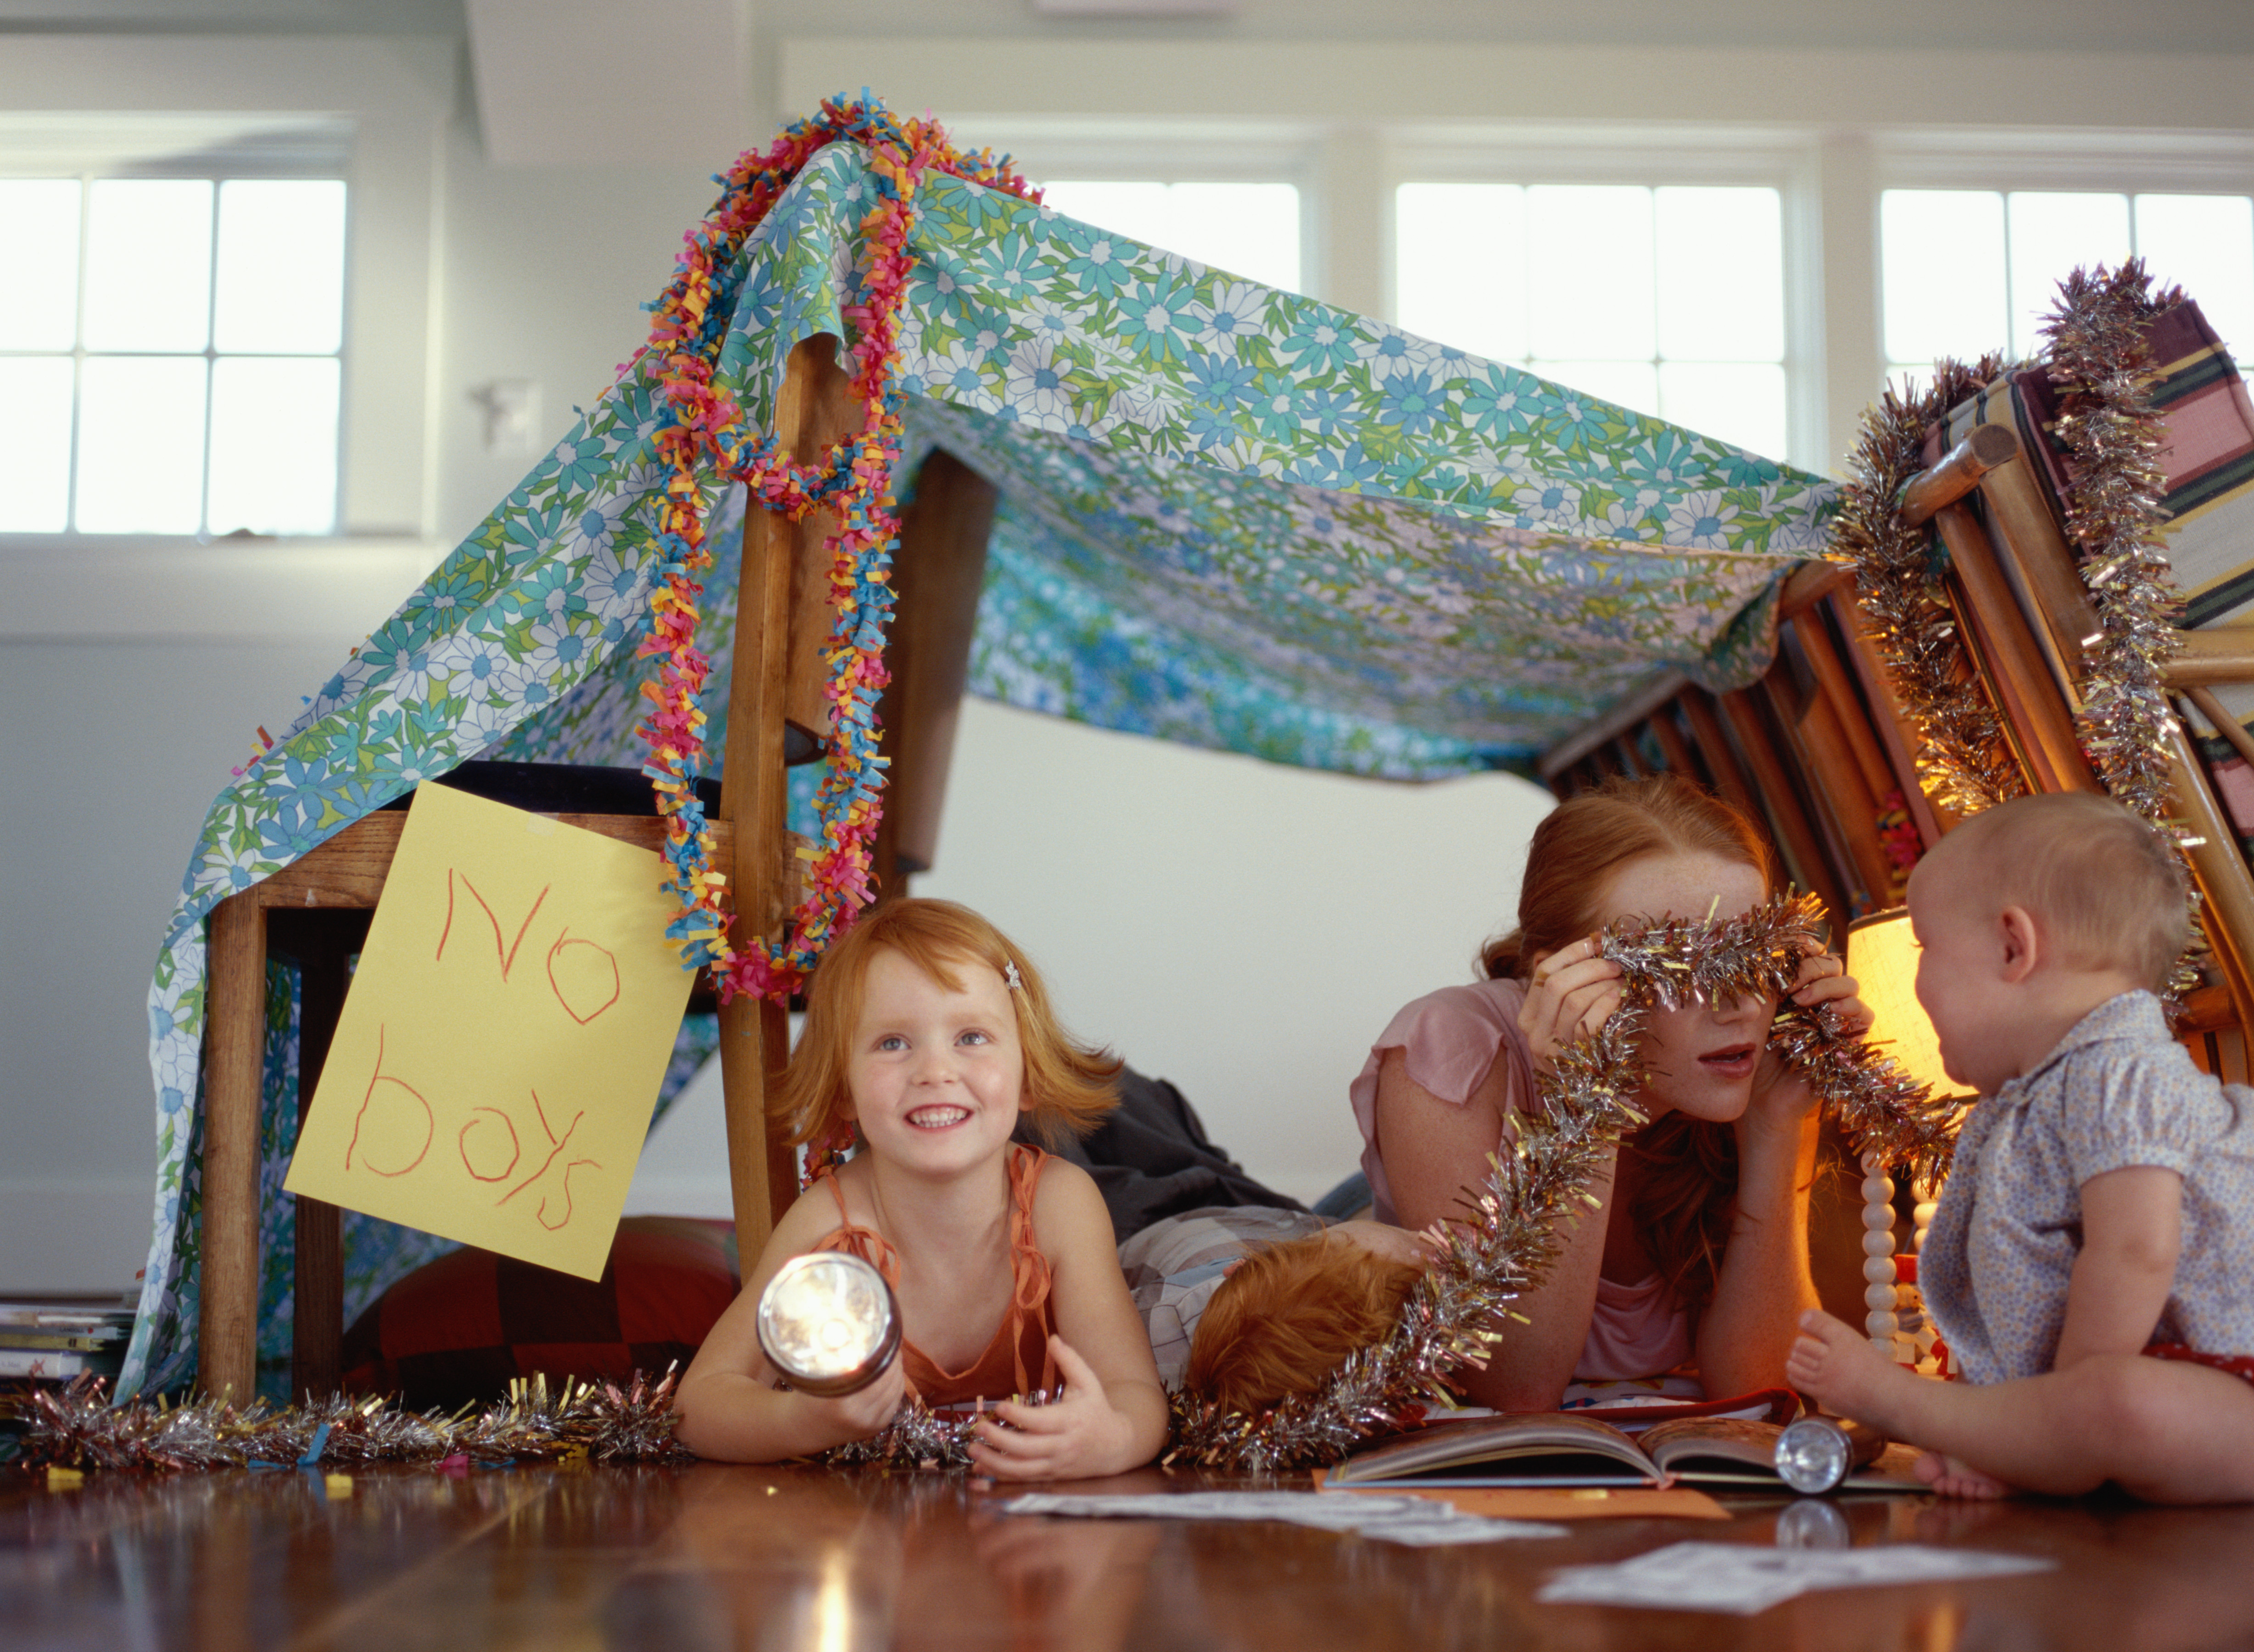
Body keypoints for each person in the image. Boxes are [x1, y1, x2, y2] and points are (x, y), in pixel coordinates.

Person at [1787, 792, 2254, 1502]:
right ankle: (2010, 1437)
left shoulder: (2120, 1073)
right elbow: (2034, 1293)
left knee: (2114, 1401)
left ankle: (1905, 1405)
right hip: (2176, 1402)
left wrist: (2050, 1422)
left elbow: (2135, 1251)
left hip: (2231, 1384)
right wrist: (2016, 1427)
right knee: (2105, 1402)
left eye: (1925, 948)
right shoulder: (2029, 1104)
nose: (1918, 981)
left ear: (2013, 948)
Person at [1350, 773, 1866, 1411]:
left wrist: (1779, 1129)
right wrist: (1587, 1103)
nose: (1739, 1005)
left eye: (1754, 955)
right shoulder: (1447, 1049)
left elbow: (1760, 1391)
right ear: (1561, 976)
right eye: (1678, 966)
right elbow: (1511, 1390)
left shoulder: (1747, 1066)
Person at [675, 899, 1170, 1478]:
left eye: (971, 1037)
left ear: (1028, 1072)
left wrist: (1112, 1439)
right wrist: (805, 1421)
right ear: (843, 1088)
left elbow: (1134, 1391)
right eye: (893, 1043)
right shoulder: (829, 1223)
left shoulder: (1061, 1205)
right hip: (873, 1522)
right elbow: (698, 1406)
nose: (935, 1071)